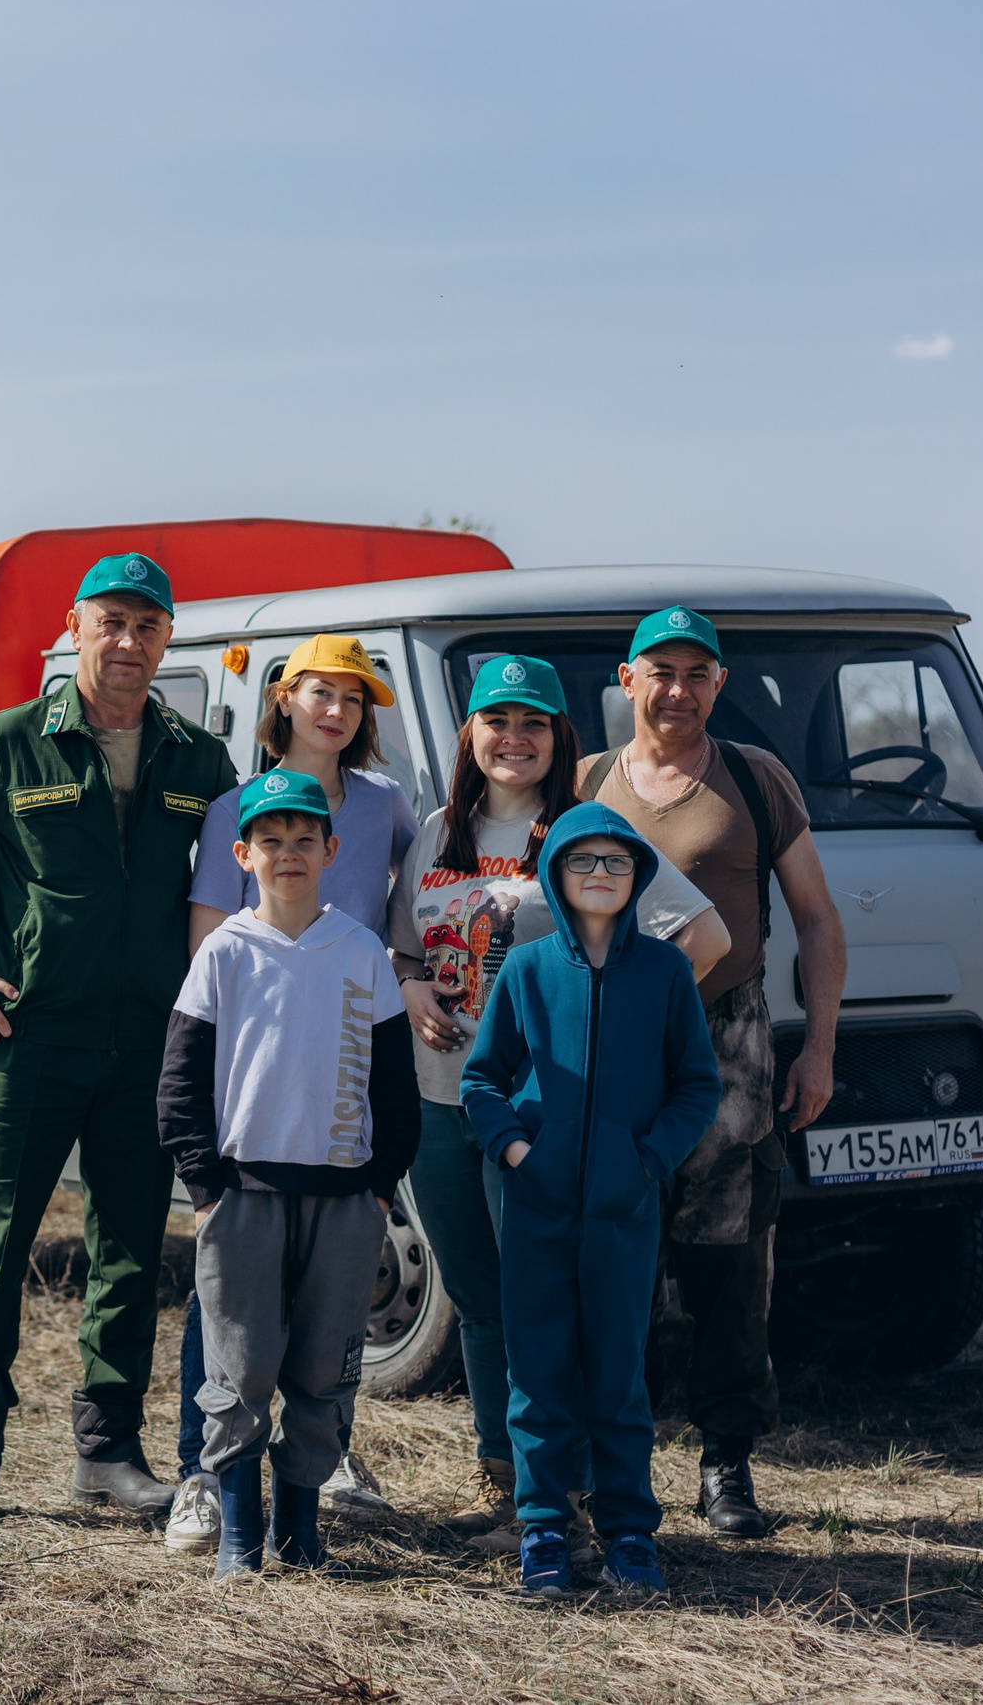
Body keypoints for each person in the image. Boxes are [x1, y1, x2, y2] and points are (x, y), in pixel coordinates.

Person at [0, 552, 238, 1526]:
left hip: (145, 1047)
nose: (127, 643)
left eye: (147, 626)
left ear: (168, 639)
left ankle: (107, 1451)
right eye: (110, 622)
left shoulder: (197, 760)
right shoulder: (5, 747)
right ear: (75, 625)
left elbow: (233, 888)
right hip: (28, 1040)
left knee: (128, 1246)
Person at [387, 656, 726, 1547]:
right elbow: (405, 951)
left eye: (533, 722)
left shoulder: (584, 831)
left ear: (559, 737)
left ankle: (569, 1496)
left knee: (555, 1301)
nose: (513, 737)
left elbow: (704, 934)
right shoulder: (436, 833)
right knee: (477, 1293)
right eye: (495, 720)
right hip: (440, 1098)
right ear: (470, 735)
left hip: (545, 1118)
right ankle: (508, 1484)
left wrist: (617, 1029)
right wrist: (414, 986)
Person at [577, 605, 845, 1538]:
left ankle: (727, 1464)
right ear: (628, 679)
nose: (678, 689)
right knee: (621, 1255)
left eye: (697, 672)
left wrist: (818, 1046)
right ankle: (622, 1465)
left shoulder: (755, 781)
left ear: (718, 683)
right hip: (614, 1049)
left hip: (730, 1044)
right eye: (661, 670)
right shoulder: (585, 785)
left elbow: (815, 917)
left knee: (731, 1259)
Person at [165, 633, 419, 1549]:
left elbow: (405, 920)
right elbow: (189, 1058)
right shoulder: (229, 922)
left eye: (355, 697)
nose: (337, 710)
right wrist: (205, 1179)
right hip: (249, 1150)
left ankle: (306, 1504)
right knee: (234, 1332)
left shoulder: (388, 809)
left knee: (324, 1349)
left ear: (329, 843)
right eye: (322, 692)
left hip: (341, 1145)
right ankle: (220, 1496)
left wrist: (383, 1175)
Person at [461, 805, 723, 1598]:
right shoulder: (530, 969)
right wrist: (516, 1150)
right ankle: (543, 1529)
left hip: (623, 1211)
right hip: (538, 1208)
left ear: (638, 874)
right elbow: (481, 1078)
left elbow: (696, 1086)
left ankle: (629, 1534)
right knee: (537, 1375)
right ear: (557, 876)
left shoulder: (665, 972)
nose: (601, 876)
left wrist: (645, 1159)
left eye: (616, 862)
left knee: (617, 1376)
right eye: (584, 863)